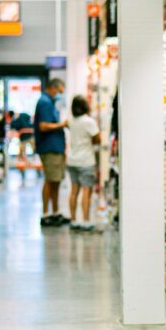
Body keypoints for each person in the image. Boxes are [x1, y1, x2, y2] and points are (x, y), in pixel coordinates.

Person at [34, 78, 69, 226]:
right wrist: (62, 124)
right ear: (53, 88)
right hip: (49, 149)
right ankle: (46, 213)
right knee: (50, 180)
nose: (60, 95)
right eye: (59, 92)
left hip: (56, 148)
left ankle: (55, 212)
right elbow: (43, 126)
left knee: (56, 181)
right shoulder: (45, 103)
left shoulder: (50, 103)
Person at [66, 95, 100, 231]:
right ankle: (86, 221)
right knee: (86, 191)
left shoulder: (70, 121)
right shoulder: (89, 121)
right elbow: (98, 139)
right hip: (86, 161)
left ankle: (73, 220)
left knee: (74, 191)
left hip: (72, 160)